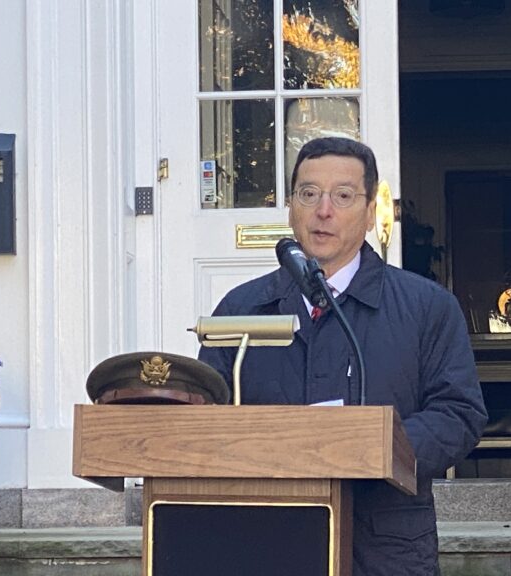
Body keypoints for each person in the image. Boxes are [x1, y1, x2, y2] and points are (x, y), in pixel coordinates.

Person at [198, 137, 487, 576]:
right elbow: (206, 414)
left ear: (371, 212)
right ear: (291, 207)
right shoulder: (241, 309)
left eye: (343, 195)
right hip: (263, 536)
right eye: (308, 194)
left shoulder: (427, 307)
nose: (323, 211)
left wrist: (373, 448)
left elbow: (459, 414)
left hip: (384, 546)